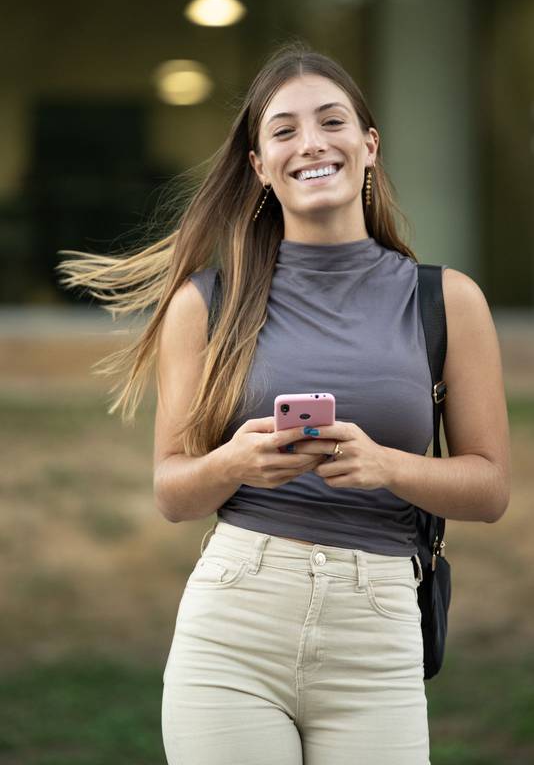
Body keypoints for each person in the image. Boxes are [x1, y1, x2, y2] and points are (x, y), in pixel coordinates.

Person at [56, 41, 511, 765]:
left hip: (378, 633)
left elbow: (489, 490)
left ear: (369, 146)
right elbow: (173, 493)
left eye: (331, 121)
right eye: (284, 130)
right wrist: (236, 461)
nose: (311, 143)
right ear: (260, 167)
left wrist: (385, 466)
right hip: (236, 620)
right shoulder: (205, 304)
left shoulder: (446, 301)